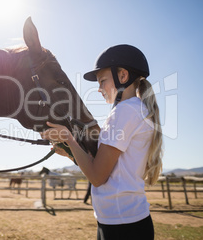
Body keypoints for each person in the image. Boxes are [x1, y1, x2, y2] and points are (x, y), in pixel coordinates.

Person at [41, 44, 163, 240]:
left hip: (121, 225)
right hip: (123, 221)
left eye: (102, 81)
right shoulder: (137, 110)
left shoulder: (124, 111)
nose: (99, 89)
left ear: (122, 76)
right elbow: (107, 168)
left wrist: (69, 139)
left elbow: (97, 177)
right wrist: (72, 153)